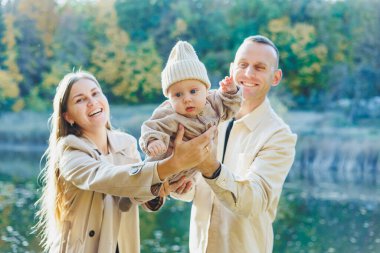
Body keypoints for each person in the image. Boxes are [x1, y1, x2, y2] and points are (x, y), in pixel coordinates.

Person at [35, 71, 215, 253]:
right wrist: (172, 165)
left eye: (95, 93)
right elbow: (105, 178)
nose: (92, 102)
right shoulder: (69, 151)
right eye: (80, 100)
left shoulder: (126, 144)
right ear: (68, 116)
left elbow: (131, 196)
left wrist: (164, 186)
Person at [176, 35, 297, 253]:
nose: (249, 74)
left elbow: (253, 201)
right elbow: (190, 190)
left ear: (276, 77)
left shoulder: (279, 136)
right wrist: (178, 184)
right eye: (243, 65)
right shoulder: (205, 116)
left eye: (260, 67)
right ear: (232, 69)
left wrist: (209, 167)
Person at [139, 41, 241, 187]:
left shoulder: (214, 103)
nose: (187, 99)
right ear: (169, 98)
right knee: (149, 182)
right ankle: (150, 193)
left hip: (190, 171)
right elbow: (151, 126)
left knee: (183, 185)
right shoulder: (168, 112)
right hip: (165, 164)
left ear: (206, 90)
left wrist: (231, 91)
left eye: (193, 91)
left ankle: (168, 192)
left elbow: (231, 107)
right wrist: (153, 141)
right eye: (178, 94)